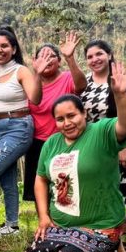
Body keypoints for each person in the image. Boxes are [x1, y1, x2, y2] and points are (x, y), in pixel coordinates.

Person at [25, 61, 126, 252]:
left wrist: (121, 95)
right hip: (61, 225)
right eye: (60, 119)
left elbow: (125, 124)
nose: (66, 123)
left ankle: (111, 247)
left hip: (100, 226)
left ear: (84, 113)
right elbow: (40, 178)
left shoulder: (101, 132)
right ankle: (85, 247)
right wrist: (43, 217)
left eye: (71, 116)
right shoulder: (52, 143)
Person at [0, 26, 53, 239]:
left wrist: (37, 73)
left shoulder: (22, 71)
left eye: (4, 46)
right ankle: (11, 225)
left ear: (13, 48)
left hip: (18, 127)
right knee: (7, 178)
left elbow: (35, 99)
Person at [23, 33, 87, 203]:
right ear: (34, 61)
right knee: (40, 186)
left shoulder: (66, 78)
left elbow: (81, 86)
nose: (47, 60)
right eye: (42, 56)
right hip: (37, 142)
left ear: (59, 61)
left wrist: (70, 58)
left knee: (65, 186)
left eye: (51, 56)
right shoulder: (29, 82)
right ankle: (44, 221)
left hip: (64, 140)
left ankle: (66, 222)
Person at [81, 39, 126, 202]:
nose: (94, 59)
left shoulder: (120, 80)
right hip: (93, 145)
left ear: (109, 54)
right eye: (90, 57)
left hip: (117, 143)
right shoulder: (84, 82)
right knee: (97, 188)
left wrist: (122, 147)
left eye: (99, 54)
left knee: (121, 190)